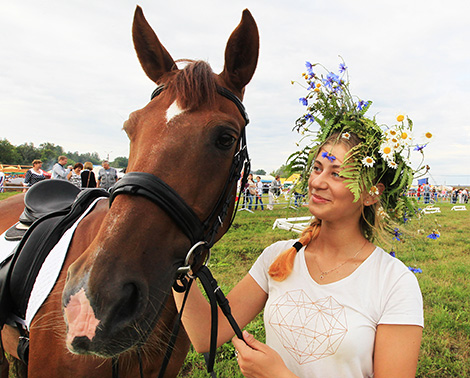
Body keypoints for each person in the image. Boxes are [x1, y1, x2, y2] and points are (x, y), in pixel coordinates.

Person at [173, 62, 428, 377]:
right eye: (318, 167)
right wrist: (175, 256)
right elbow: (206, 333)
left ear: (371, 193)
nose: (318, 181)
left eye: (337, 173)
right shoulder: (279, 256)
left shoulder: (394, 283)